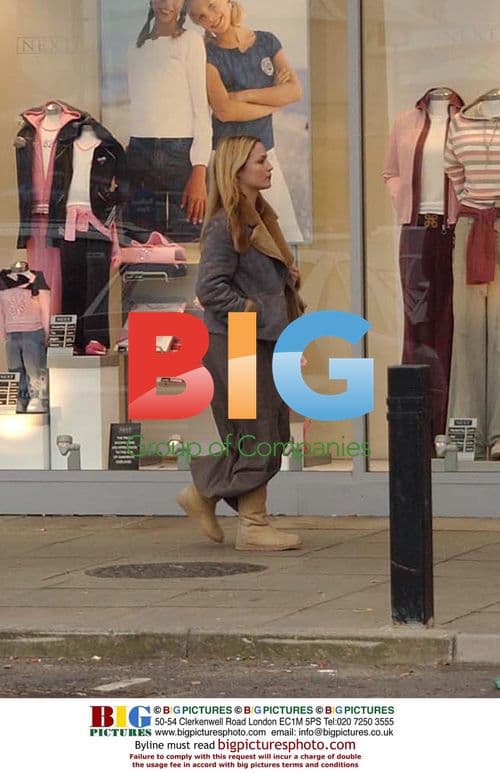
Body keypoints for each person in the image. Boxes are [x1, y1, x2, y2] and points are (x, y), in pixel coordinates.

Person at [176, 135, 305, 551]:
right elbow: (210, 288)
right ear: (237, 170)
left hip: (259, 339)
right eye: (261, 161)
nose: (269, 168)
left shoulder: (261, 216)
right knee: (258, 433)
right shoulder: (224, 223)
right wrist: (253, 310)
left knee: (268, 432)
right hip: (238, 341)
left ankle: (212, 498)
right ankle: (247, 521)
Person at [186, 0, 304, 243]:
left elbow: (295, 91)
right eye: (200, 17)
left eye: (211, 5)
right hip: (229, 161)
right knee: (235, 241)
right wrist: (275, 99)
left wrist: (245, 95)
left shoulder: (267, 42)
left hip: (265, 155)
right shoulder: (207, 55)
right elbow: (225, 111)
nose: (209, 17)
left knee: (283, 236)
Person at [126, 0, 212, 242]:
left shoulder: (190, 42)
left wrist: (198, 170)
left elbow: (201, 110)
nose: (167, 5)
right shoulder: (135, 47)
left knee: (187, 235)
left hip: (180, 154)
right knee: (140, 237)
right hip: (139, 151)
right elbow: (138, 106)